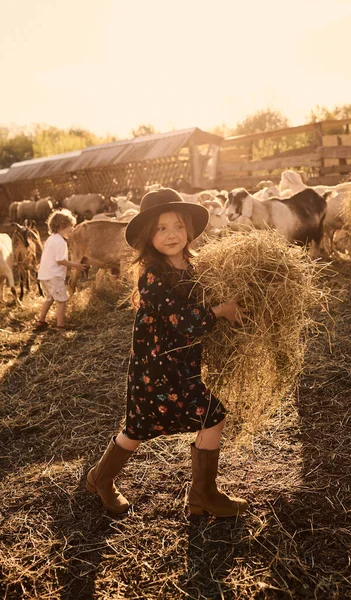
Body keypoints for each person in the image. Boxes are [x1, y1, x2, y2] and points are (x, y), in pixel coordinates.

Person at [86, 187, 249, 517]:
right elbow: (186, 321)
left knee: (206, 417)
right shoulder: (153, 275)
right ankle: (101, 479)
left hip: (181, 365)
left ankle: (202, 495)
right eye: (161, 228)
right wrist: (221, 311)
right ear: (148, 236)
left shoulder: (192, 265)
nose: (172, 234)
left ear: (189, 229)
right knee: (139, 430)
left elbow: (203, 300)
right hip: (156, 369)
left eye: (177, 225)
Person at [36, 210, 86, 330]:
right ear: (62, 226)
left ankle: (41, 321)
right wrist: (75, 265)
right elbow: (60, 260)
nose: (72, 229)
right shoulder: (60, 242)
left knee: (49, 298)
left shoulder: (50, 239)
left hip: (44, 275)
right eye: (71, 226)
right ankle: (60, 325)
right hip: (54, 276)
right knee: (62, 300)